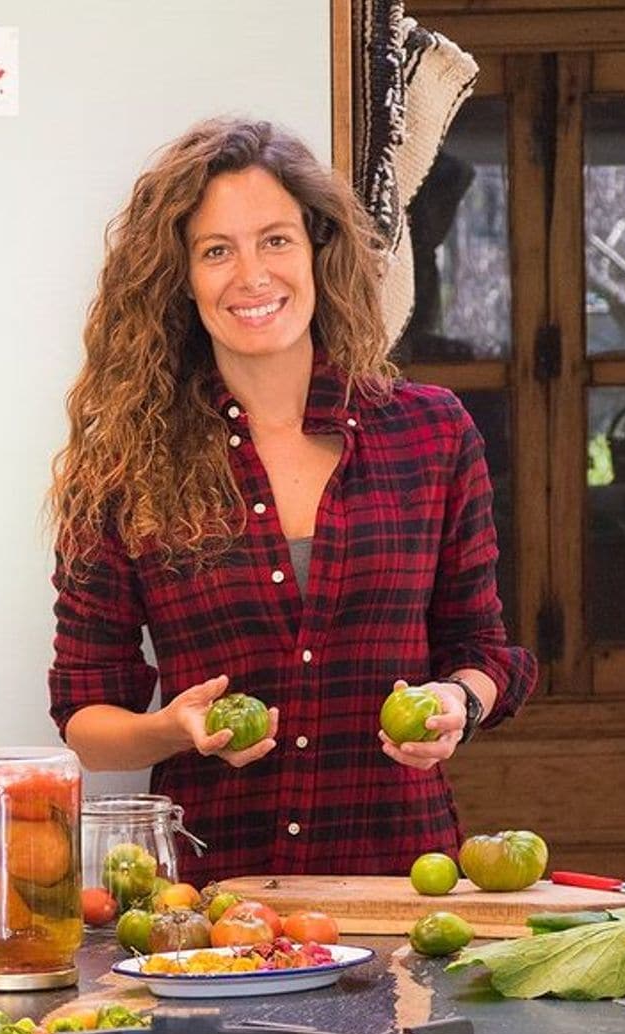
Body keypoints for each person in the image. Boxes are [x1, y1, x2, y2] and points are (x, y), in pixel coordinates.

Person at [45, 118, 537, 884]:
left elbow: (485, 651)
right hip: (212, 904)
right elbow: (86, 719)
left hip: (401, 888)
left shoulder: (432, 434)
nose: (252, 275)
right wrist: (174, 730)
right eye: (217, 250)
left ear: (317, 250)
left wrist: (456, 704)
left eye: (275, 240)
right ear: (181, 278)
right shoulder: (122, 465)